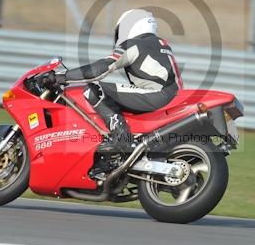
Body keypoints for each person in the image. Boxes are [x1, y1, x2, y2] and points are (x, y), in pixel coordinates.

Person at [41, 9, 183, 153]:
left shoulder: (134, 44)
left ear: (131, 25)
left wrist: (62, 76)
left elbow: (100, 70)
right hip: (173, 96)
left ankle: (122, 140)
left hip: (157, 95)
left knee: (94, 89)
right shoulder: (160, 44)